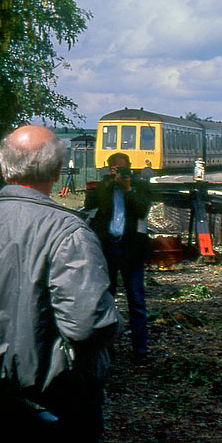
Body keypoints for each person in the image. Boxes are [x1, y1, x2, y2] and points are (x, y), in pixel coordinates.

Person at [0, 126, 119, 443]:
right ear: (60, 170)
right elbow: (87, 325)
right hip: (50, 406)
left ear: (1, 164)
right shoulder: (68, 233)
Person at [84, 152, 153, 363]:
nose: (119, 173)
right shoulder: (104, 188)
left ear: (130, 168)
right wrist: (107, 184)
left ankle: (140, 352)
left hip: (131, 249)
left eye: (122, 169)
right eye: (114, 169)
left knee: (137, 301)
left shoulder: (139, 187)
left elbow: (143, 209)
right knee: (107, 300)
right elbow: (89, 204)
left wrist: (128, 188)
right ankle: (108, 349)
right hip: (107, 249)